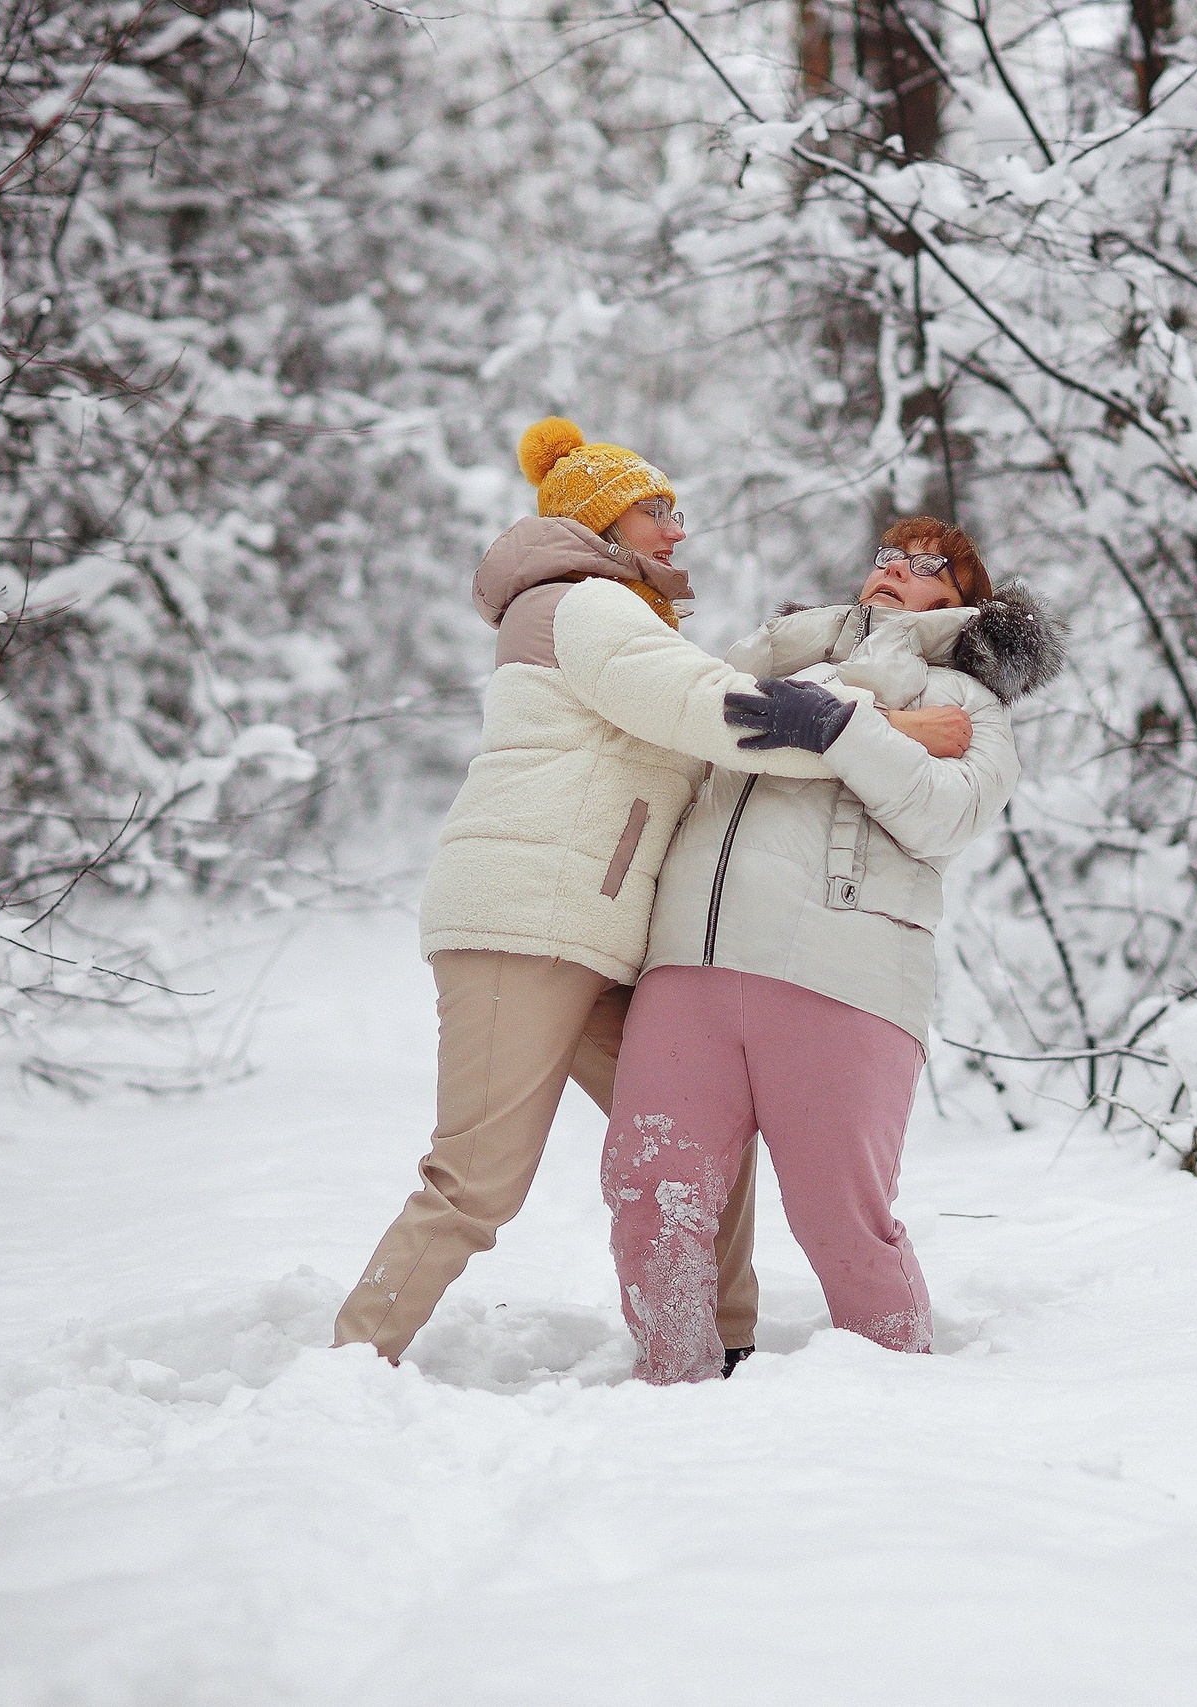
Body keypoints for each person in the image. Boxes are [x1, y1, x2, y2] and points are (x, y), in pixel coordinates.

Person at [333, 422, 971, 1364]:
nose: (678, 529)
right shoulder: (584, 603)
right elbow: (713, 709)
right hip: (528, 919)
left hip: (595, 930)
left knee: (696, 1132)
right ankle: (354, 1357)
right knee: (477, 1178)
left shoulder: (618, 611)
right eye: (654, 509)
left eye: (677, 508)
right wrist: (897, 723)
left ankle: (726, 1341)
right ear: (600, 519)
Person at [600, 518, 1065, 1382]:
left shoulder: (970, 703)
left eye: (929, 564)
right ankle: (670, 1388)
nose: (897, 568)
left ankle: (892, 1403)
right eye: (888, 555)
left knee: (838, 1218)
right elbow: (674, 741)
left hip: (844, 975)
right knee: (649, 1192)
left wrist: (839, 729)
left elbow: (944, 814)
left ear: (966, 597)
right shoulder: (770, 659)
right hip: (689, 962)